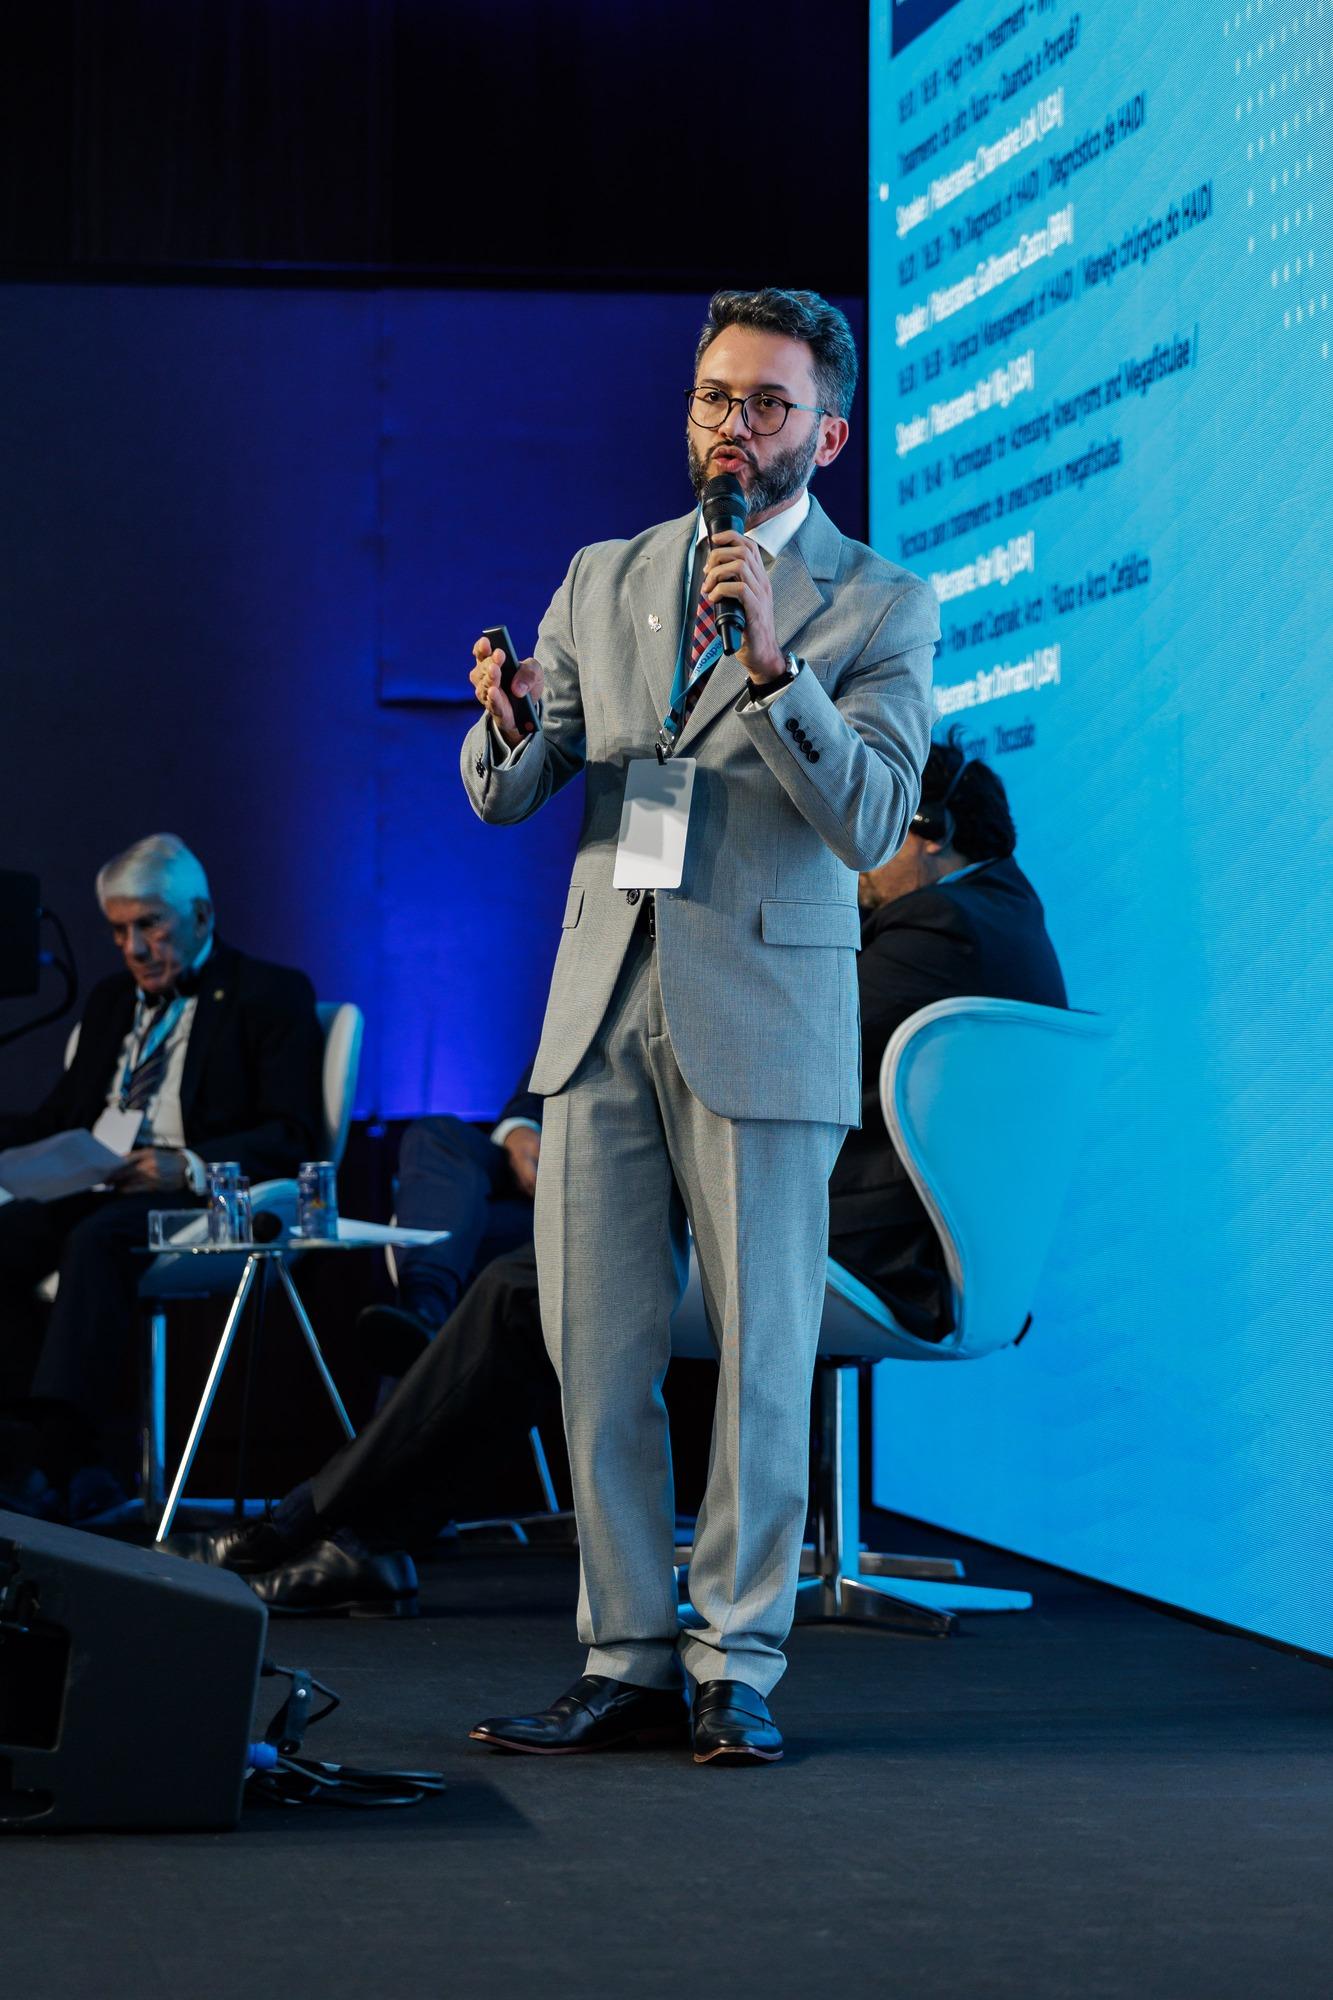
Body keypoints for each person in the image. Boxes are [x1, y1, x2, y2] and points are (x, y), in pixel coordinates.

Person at [167, 740, 1066, 1637]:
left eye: (870, 833)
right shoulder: (991, 915)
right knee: (518, 1252)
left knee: (537, 1286)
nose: (849, 860)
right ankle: (360, 1510)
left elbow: (778, 1037)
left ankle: (328, 1522)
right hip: (858, 1235)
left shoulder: (938, 928)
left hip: (854, 1257)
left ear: (928, 829)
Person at [460, 285, 937, 1765]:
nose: (735, 424)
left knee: (760, 1353)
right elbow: (514, 787)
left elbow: (873, 820)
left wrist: (778, 667)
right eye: (715, 396)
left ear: (828, 434)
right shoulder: (602, 575)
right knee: (595, 1351)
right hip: (603, 1001)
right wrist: (507, 720)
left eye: (768, 402)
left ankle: (738, 1662)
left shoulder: (879, 602)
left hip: (766, 1005)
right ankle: (625, 1653)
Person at [0, 833, 324, 1510]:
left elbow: (292, 1134)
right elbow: (59, 1116)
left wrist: (189, 1165)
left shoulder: (270, 994)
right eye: (118, 931)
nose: (133, 949)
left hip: (197, 1197)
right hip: (100, 1183)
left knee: (97, 1240)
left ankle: (55, 1453)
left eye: (149, 926)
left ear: (201, 916)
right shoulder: (110, 1001)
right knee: (11, 1232)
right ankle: (21, 1444)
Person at [355, 1071, 541, 1378]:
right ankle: (423, 1308)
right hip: (540, 1164)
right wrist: (519, 1128)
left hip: (596, 1195)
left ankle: (425, 1327)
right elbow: (537, 1090)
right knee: (434, 1134)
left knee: (458, 1228)